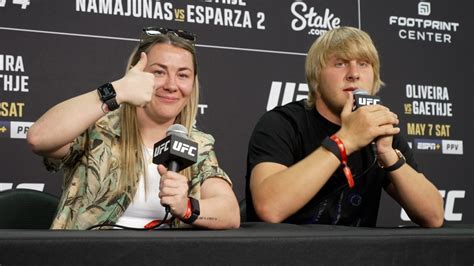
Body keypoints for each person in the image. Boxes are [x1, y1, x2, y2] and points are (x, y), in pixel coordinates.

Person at [27, 26, 240, 230]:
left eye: (183, 75)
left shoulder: (197, 143)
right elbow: (39, 138)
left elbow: (230, 213)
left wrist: (186, 207)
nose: (171, 85)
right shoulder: (98, 129)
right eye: (159, 72)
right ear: (136, 75)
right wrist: (116, 91)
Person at [245, 26, 444, 227]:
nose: (354, 74)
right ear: (315, 78)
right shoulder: (282, 123)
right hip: (288, 255)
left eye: (364, 64)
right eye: (340, 64)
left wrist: (387, 154)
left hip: (356, 257)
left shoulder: (380, 131)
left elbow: (434, 216)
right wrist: (345, 140)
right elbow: (269, 208)